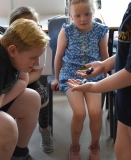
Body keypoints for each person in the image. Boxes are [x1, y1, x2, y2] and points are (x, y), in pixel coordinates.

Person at [0, 18, 49, 160]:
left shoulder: (10, 36)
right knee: (7, 127)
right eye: (33, 58)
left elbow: (23, 80)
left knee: (32, 99)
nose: (37, 63)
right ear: (12, 50)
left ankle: (19, 155)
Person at [67, 2, 131, 160]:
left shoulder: (99, 30)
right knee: (122, 149)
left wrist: (95, 86)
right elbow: (126, 50)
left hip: (125, 86)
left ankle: (94, 146)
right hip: (126, 98)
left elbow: (129, 73)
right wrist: (104, 65)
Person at [51, 0, 109, 159]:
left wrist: (105, 78)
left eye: (87, 14)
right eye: (77, 15)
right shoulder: (67, 31)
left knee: (96, 112)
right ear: (70, 16)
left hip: (93, 73)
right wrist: (56, 78)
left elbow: (105, 57)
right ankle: (74, 146)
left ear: (93, 13)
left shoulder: (100, 30)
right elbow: (58, 56)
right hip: (70, 73)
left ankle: (95, 146)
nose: (83, 19)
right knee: (79, 112)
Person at [9, 6, 54, 153]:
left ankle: (44, 128)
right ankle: (13, 134)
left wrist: (19, 85)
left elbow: (36, 72)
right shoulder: (8, 42)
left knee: (42, 97)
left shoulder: (39, 42)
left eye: (33, 26)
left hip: (26, 78)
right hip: (7, 81)